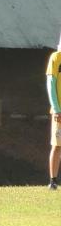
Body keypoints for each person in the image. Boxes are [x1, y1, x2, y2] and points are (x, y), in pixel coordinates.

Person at [46, 34, 61, 190]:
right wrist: (56, 108)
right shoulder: (56, 58)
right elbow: (51, 85)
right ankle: (53, 181)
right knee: (57, 145)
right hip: (60, 111)